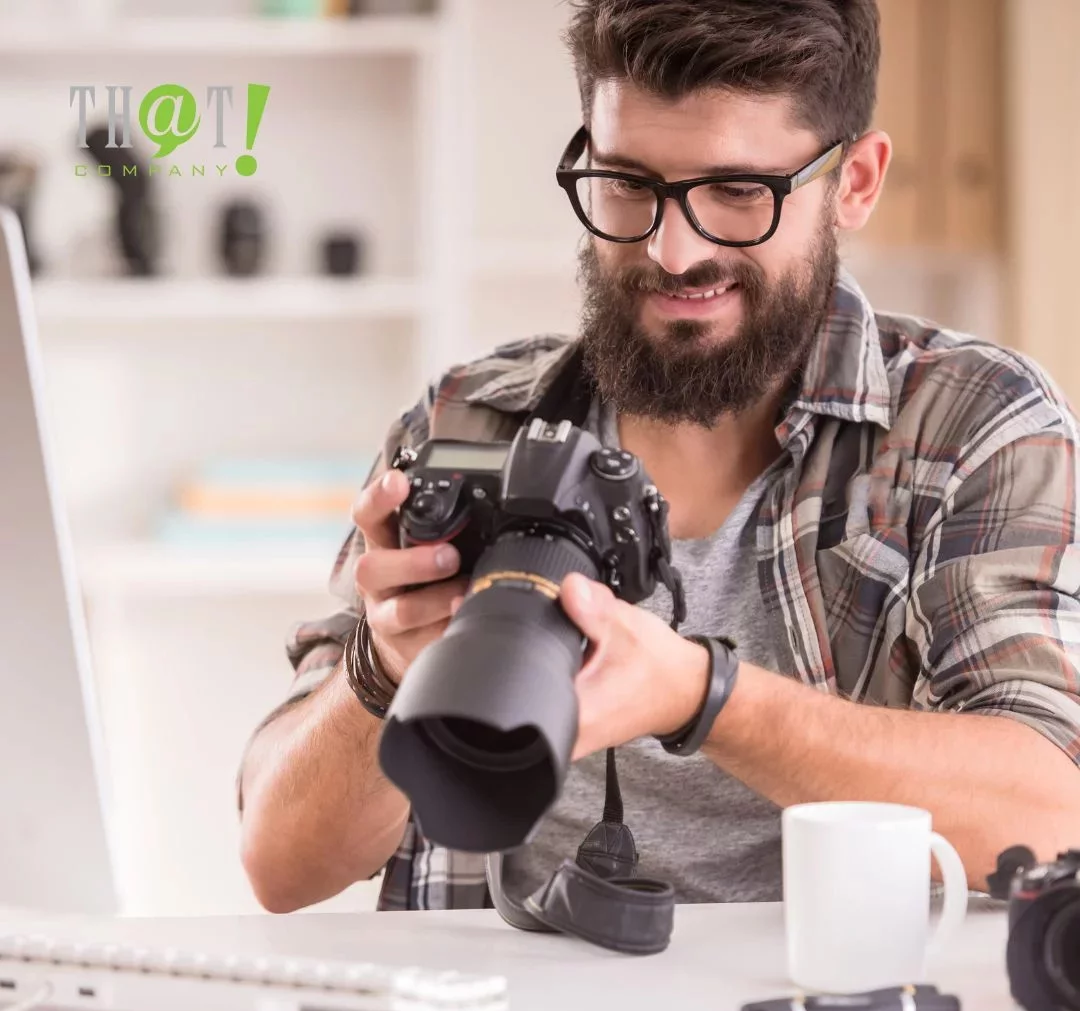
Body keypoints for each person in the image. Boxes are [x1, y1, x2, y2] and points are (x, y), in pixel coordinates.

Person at [238, 0, 1080, 915]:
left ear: (856, 182)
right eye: (627, 183)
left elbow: (1050, 812)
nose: (671, 250)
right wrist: (383, 667)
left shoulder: (970, 424)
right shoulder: (471, 422)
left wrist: (702, 696)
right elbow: (282, 867)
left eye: (738, 192)